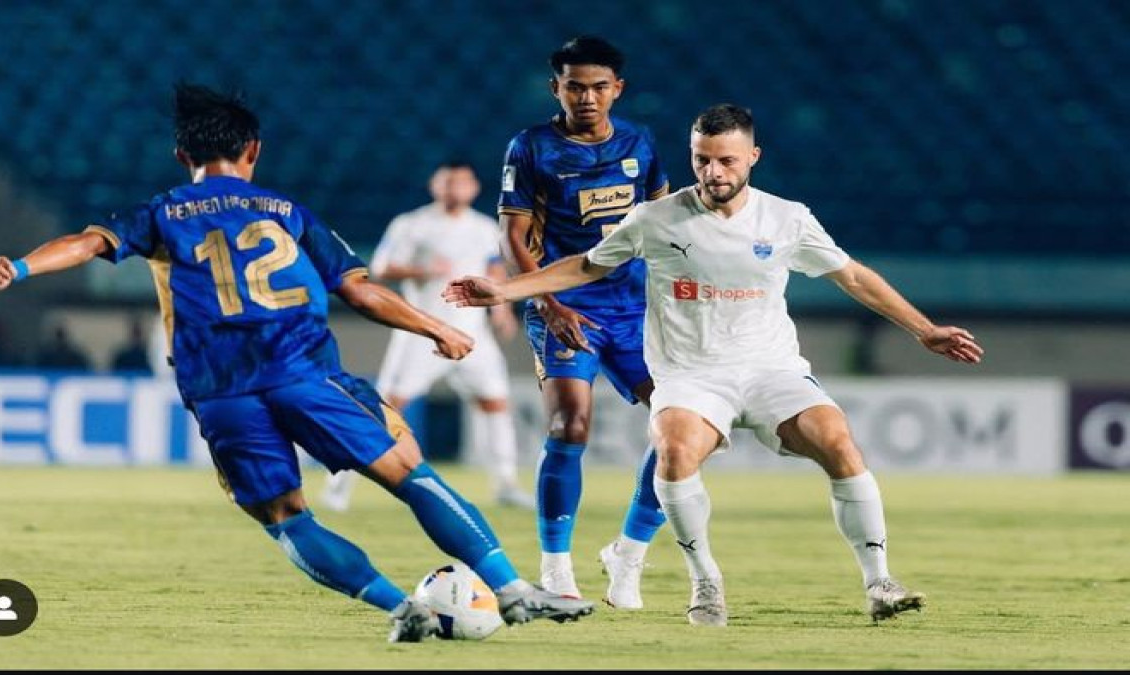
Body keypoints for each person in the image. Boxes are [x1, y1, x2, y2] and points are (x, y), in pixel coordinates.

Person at [0, 83, 593, 642]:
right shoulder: (286, 212)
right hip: (305, 373)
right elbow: (360, 291)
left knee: (286, 520)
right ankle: (513, 590)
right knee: (411, 475)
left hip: (221, 394)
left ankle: (398, 607)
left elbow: (87, 243)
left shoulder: (159, 213)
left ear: (182, 157)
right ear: (254, 152)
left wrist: (19, 268)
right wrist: (438, 329)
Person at [447, 103, 985, 626]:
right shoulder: (655, 219)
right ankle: (705, 580)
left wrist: (925, 329)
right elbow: (583, 267)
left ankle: (880, 582)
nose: (713, 171)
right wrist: (504, 289)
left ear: (754, 156)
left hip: (772, 371)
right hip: (692, 376)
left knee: (839, 441)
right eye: (702, 159)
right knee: (674, 448)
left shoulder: (787, 218)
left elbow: (854, 277)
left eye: (726, 160)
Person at [498, 35, 670, 605]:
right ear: (557, 88)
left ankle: (629, 552)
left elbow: (664, 226)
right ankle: (556, 570)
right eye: (575, 86)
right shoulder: (531, 148)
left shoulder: (640, 143)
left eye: (598, 86)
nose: (587, 96)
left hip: (636, 310)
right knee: (569, 426)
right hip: (567, 310)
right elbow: (512, 236)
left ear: (617, 89)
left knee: (685, 431)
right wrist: (549, 302)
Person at [319, 161, 535, 512]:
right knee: (385, 409)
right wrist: (422, 270)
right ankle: (339, 486)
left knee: (495, 404)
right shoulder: (413, 224)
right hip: (420, 333)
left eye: (462, 182)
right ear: (436, 185)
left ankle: (506, 484)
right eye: (448, 182)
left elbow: (493, 268)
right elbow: (381, 267)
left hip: (471, 334)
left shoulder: (483, 227)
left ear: (474, 187)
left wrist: (501, 310)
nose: (455, 189)